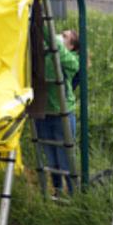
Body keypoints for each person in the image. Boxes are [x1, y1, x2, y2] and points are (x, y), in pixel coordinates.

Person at [35, 29, 80, 194]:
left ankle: (74, 195)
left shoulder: (72, 60)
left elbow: (58, 55)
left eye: (65, 37)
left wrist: (48, 32)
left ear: (72, 46)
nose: (60, 37)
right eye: (61, 33)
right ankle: (57, 192)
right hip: (44, 114)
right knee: (52, 159)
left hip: (63, 115)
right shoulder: (47, 53)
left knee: (65, 159)